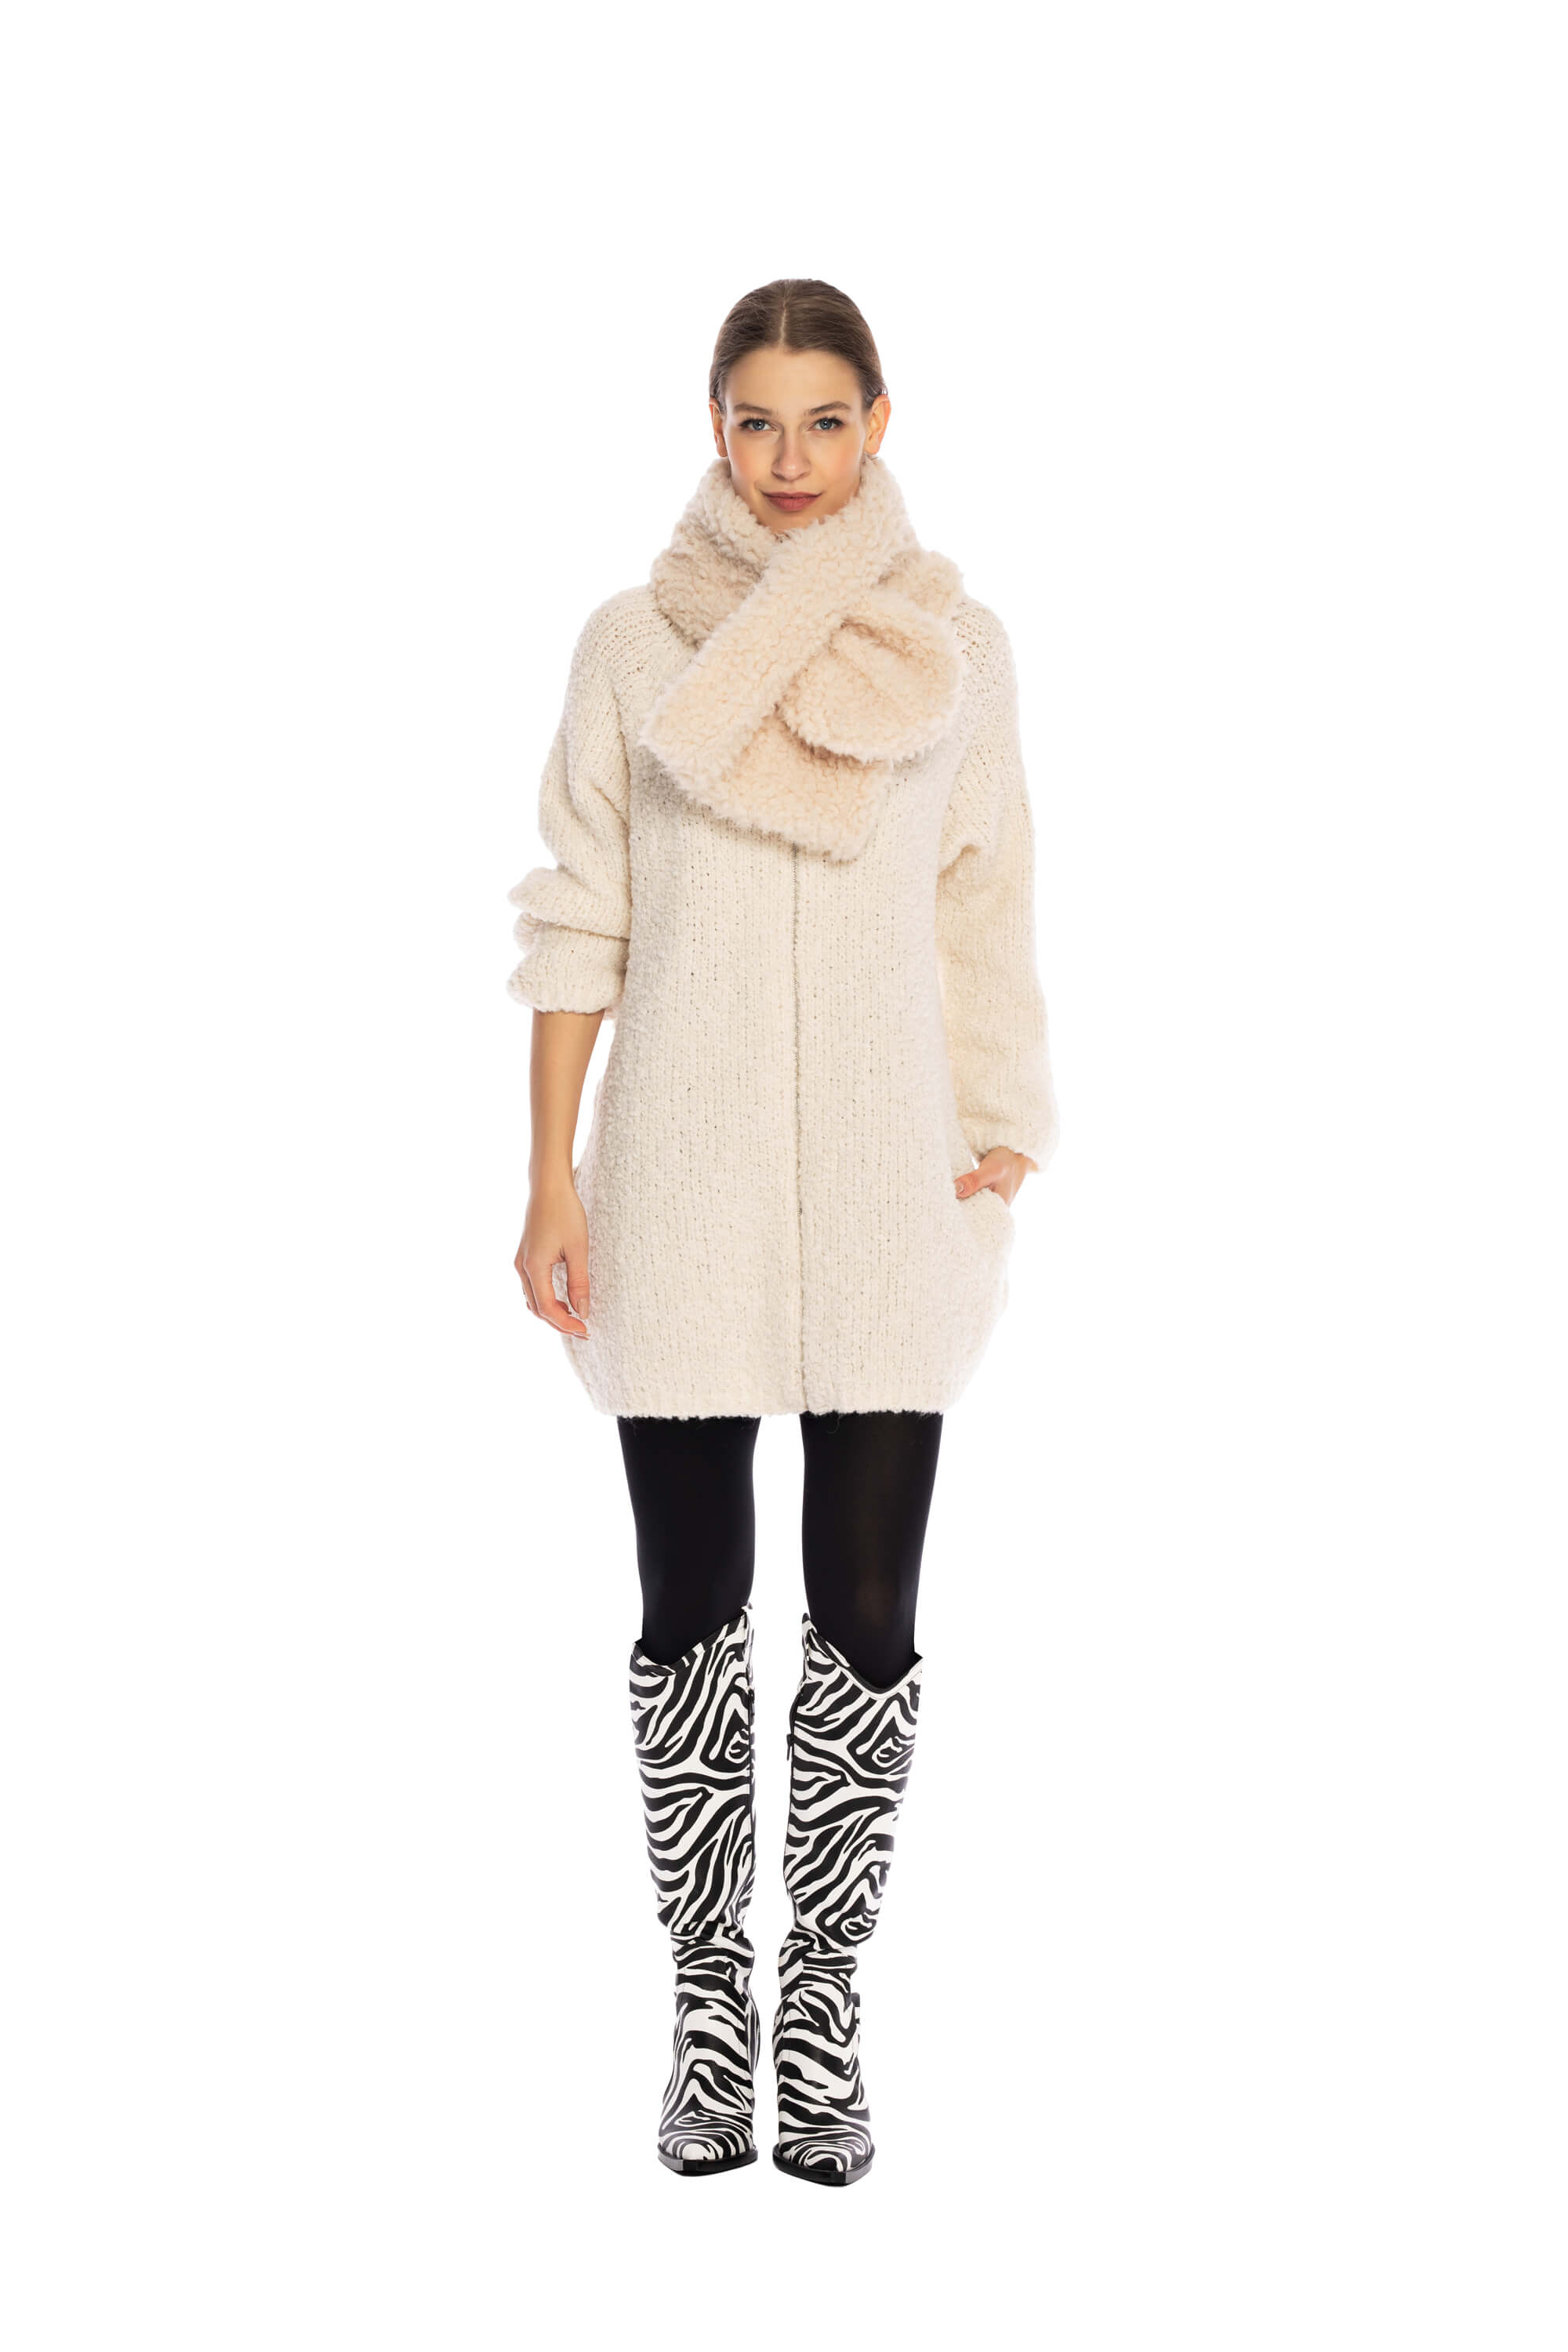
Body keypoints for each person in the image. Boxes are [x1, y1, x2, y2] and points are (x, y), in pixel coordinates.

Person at [507, 279, 1059, 2185]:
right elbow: (580, 906)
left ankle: (818, 2002)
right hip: (681, 1173)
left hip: (892, 1183)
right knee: (689, 1608)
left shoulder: (956, 653)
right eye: (758, 420)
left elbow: (986, 897)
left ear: (880, 423)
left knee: (871, 1618)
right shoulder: (629, 642)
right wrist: (551, 1173)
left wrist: (1002, 1127)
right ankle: (703, 2007)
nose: (793, 458)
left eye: (827, 419)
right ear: (714, 429)